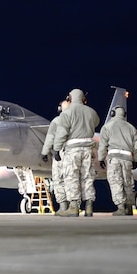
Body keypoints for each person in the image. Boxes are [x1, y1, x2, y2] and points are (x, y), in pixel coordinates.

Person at [52, 88, 100, 216]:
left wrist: (56, 149)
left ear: (70, 98)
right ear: (83, 99)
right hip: (88, 148)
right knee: (88, 177)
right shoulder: (91, 112)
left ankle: (73, 207)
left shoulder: (67, 113)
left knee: (72, 177)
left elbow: (62, 133)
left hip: (73, 149)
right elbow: (96, 122)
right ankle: (89, 207)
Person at [98, 105, 137, 216]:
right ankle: (130, 207)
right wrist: (135, 160)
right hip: (127, 159)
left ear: (113, 113)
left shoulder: (107, 127)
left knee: (116, 181)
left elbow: (102, 144)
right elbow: (136, 147)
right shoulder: (131, 128)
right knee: (128, 182)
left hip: (114, 159)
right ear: (124, 114)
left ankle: (121, 207)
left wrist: (101, 158)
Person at [41, 99, 70, 214]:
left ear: (60, 109)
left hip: (61, 153)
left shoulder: (57, 121)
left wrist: (44, 152)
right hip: (75, 153)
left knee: (58, 179)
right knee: (73, 180)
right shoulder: (77, 120)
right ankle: (75, 207)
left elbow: (50, 138)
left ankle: (63, 207)